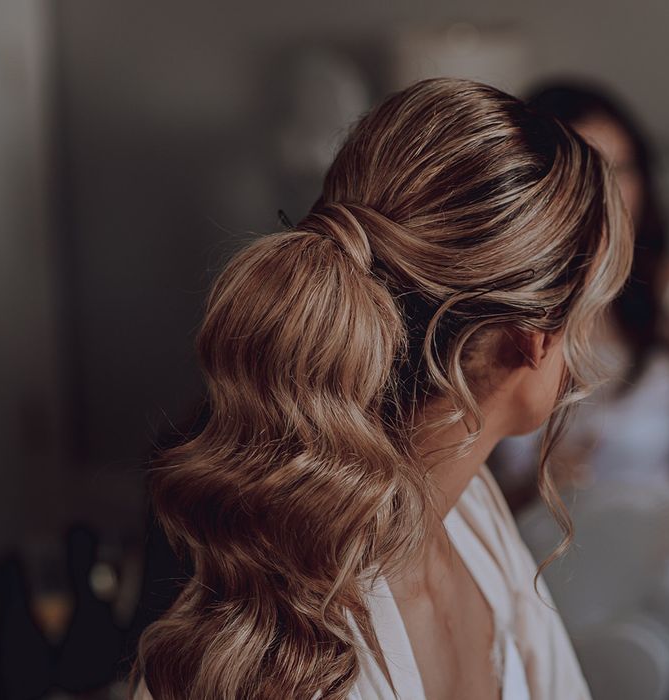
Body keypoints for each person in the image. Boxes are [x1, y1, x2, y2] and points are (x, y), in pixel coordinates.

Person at [132, 78, 632, 700]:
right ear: (532, 339)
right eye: (586, 316)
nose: (586, 352)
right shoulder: (291, 654)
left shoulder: (473, 514)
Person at [492, 82, 669, 511]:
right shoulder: (499, 307)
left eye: (622, 169)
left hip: (659, 560)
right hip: (526, 554)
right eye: (587, 170)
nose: (608, 193)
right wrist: (538, 494)